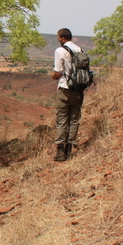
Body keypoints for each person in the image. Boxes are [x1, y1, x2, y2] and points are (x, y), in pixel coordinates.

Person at [52, 28, 84, 161]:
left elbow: (58, 72)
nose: (58, 40)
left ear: (62, 38)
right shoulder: (79, 50)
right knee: (74, 119)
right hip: (78, 89)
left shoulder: (60, 51)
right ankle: (70, 149)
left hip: (65, 88)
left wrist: (53, 76)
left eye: (58, 38)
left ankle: (60, 151)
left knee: (62, 119)